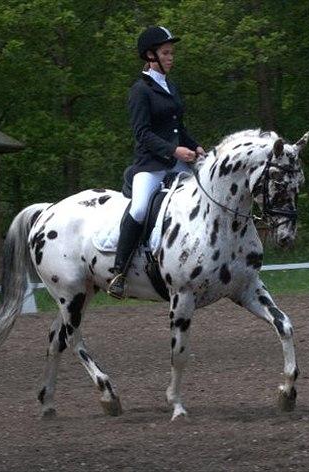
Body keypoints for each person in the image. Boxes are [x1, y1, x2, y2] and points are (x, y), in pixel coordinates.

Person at [107, 26, 206, 299]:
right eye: (166, 53)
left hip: (177, 163)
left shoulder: (170, 86)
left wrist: (195, 145)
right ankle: (119, 271)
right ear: (151, 56)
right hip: (150, 165)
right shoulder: (140, 90)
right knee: (139, 209)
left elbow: (177, 127)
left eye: (172, 52)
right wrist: (175, 151)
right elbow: (142, 133)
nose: (171, 57)